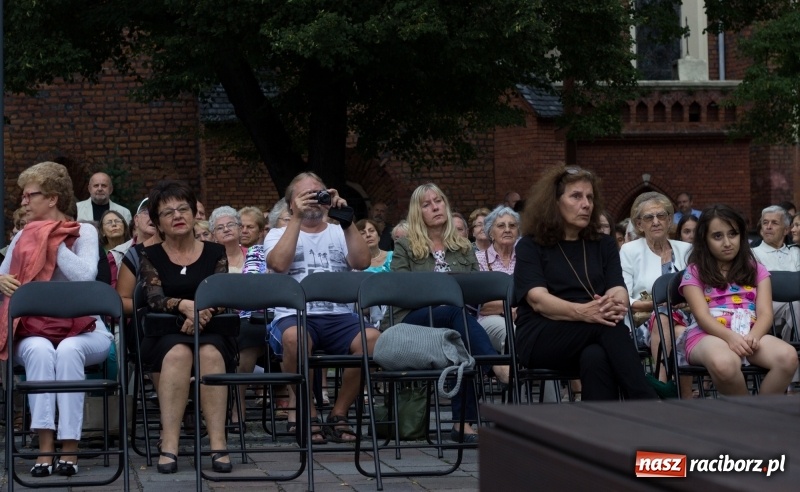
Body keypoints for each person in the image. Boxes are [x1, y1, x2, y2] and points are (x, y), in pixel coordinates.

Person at [0, 161, 114, 477]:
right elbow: (3, 273)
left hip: (85, 329)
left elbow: (85, 277)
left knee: (67, 351)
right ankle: (45, 445)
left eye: (29, 195)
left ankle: (70, 447)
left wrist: (50, 241)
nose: (23, 201)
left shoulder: (85, 231)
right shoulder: (24, 234)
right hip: (36, 328)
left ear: (51, 199)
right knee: (38, 350)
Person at [513, 164, 657, 402]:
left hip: (595, 330)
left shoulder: (604, 244)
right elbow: (537, 300)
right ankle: (648, 402)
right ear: (554, 202)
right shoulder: (531, 246)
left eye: (590, 197)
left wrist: (615, 303)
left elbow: (617, 287)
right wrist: (584, 312)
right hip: (543, 334)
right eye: (576, 196)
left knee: (595, 356)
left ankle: (597, 431)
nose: (586, 204)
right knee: (605, 327)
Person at [265, 172, 378, 443]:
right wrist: (296, 218)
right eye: (305, 195)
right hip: (295, 317)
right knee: (294, 338)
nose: (313, 200)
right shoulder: (277, 233)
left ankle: (339, 414)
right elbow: (279, 265)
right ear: (290, 202)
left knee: (373, 339)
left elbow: (362, 263)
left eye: (318, 193)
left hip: (339, 315)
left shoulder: (341, 231)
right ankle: (309, 412)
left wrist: (346, 219)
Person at [391, 183, 506, 443]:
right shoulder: (406, 246)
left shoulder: (463, 247)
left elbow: (477, 291)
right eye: (427, 204)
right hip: (414, 321)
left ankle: (461, 426)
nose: (435, 207)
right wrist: (441, 294)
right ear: (417, 212)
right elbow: (401, 291)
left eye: (439, 201)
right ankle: (495, 365)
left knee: (457, 337)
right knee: (453, 313)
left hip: (455, 323)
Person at [138, 180, 233, 474]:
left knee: (210, 355)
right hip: (165, 330)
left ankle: (218, 444)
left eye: (183, 209)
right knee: (179, 354)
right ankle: (170, 443)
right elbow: (153, 298)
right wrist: (184, 305)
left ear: (194, 214)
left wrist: (202, 311)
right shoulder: (149, 255)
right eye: (168, 213)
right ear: (158, 224)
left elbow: (222, 294)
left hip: (212, 328)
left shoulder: (216, 251)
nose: (177, 216)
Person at [678, 205, 797, 396]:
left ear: (741, 236)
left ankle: (757, 413)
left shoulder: (756, 269)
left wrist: (753, 336)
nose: (727, 242)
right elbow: (701, 316)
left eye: (732, 234)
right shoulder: (695, 271)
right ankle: (748, 416)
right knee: (724, 363)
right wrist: (730, 337)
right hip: (708, 334)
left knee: (788, 357)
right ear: (704, 240)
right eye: (717, 236)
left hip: (750, 332)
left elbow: (765, 313)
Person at [620, 192, 692, 395]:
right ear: (639, 225)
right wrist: (657, 305)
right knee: (665, 318)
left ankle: (663, 386)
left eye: (661, 216)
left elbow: (697, 289)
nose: (656, 222)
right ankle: (683, 396)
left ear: (670, 220)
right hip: (642, 320)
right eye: (649, 218)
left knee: (678, 330)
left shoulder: (686, 249)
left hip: (686, 317)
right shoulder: (629, 251)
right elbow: (623, 294)